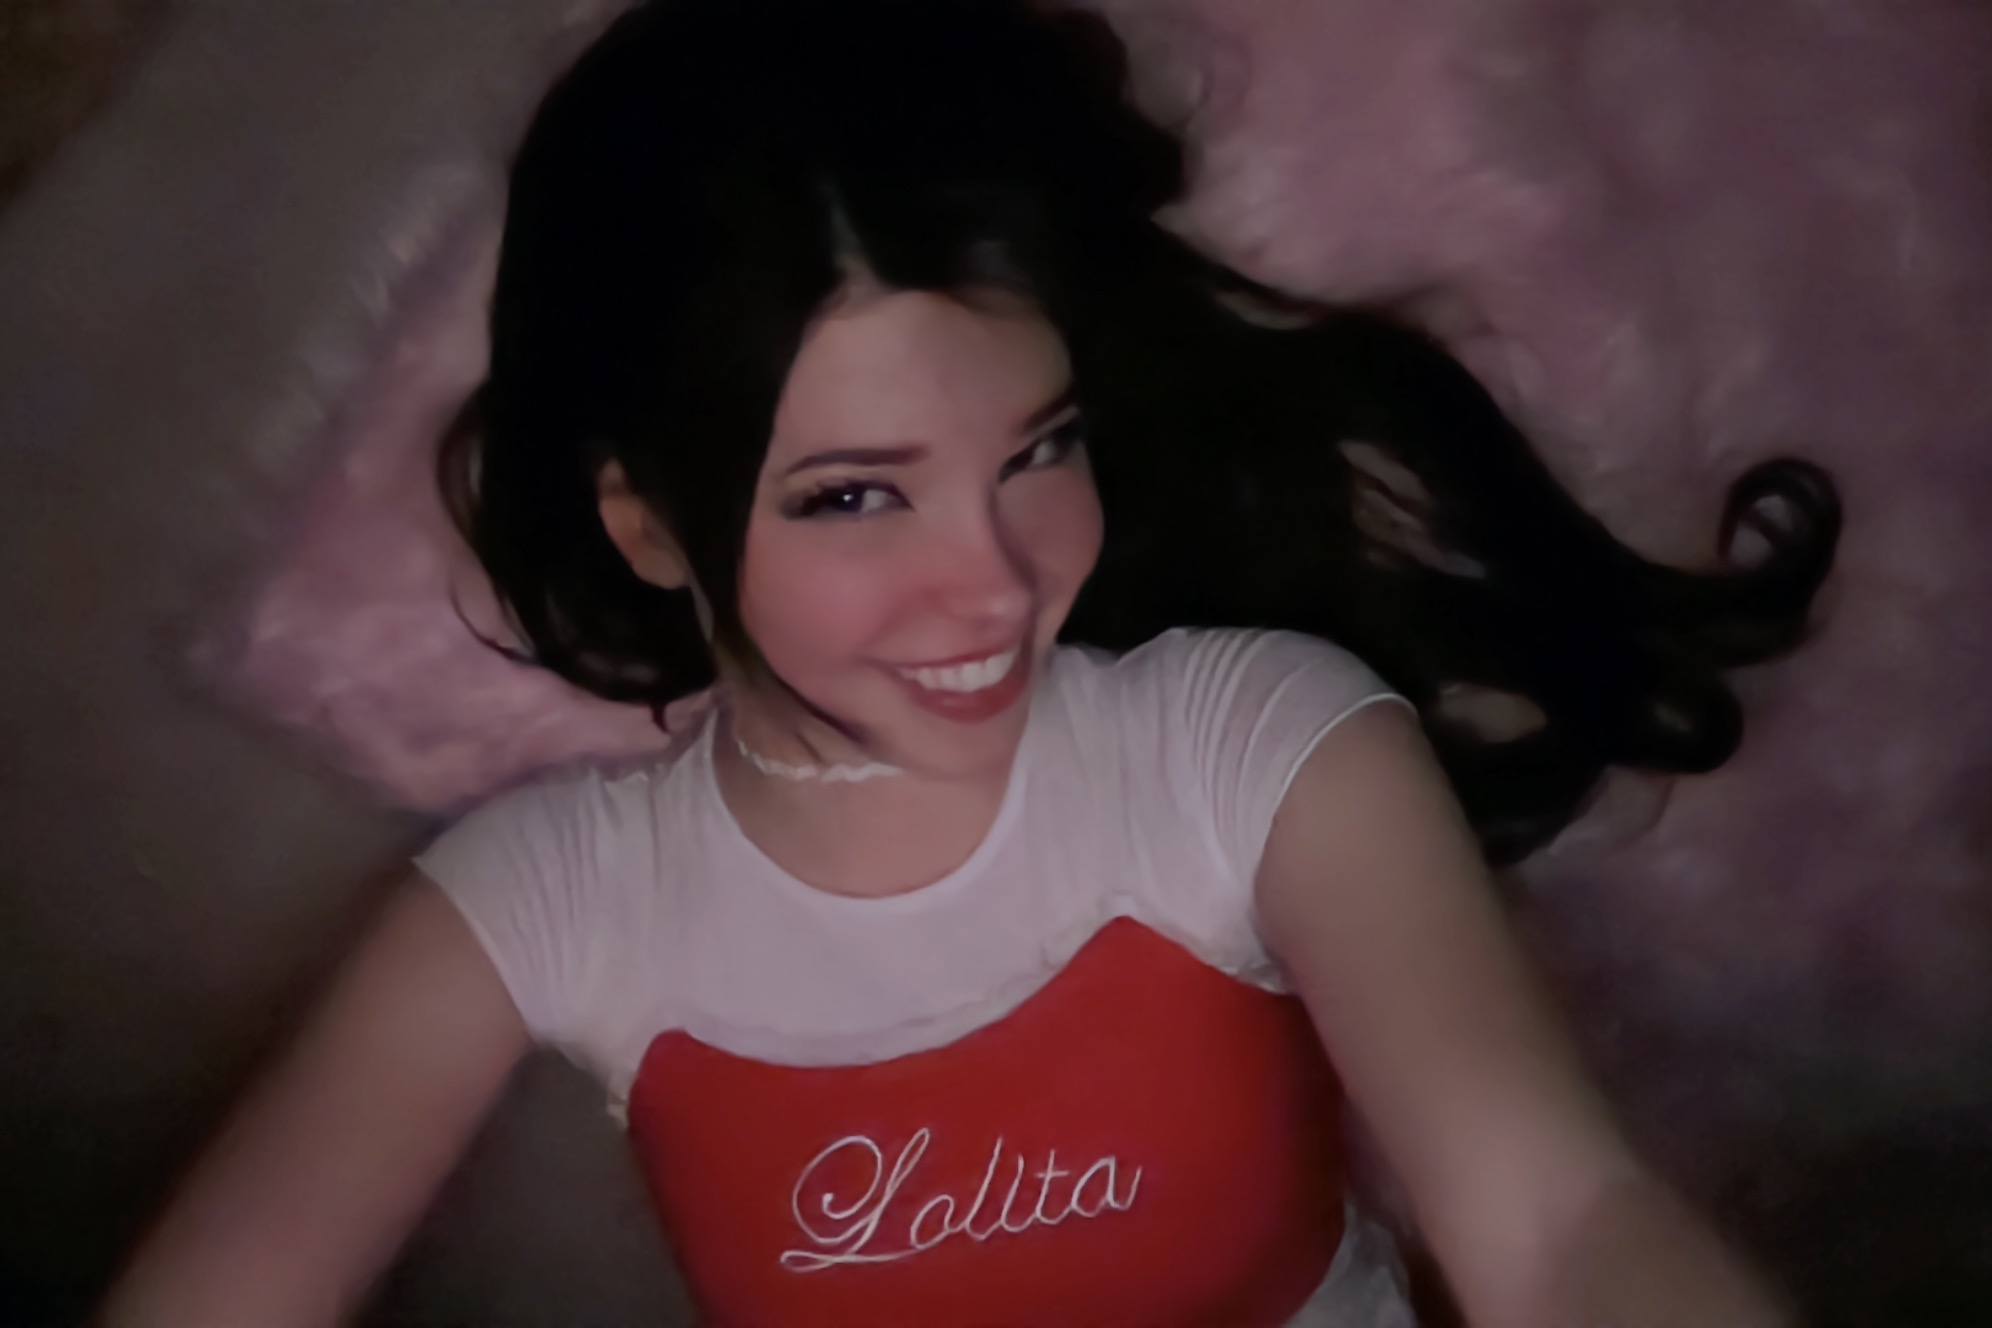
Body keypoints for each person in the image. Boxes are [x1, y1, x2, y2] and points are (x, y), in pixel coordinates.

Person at [101, 0, 1840, 1324]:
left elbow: (1556, 1225)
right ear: (648, 525)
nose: (995, 585)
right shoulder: (542, 905)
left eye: (1035, 451)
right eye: (857, 496)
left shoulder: (1258, 749)